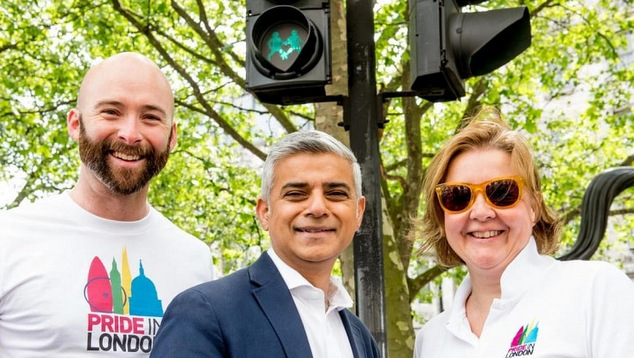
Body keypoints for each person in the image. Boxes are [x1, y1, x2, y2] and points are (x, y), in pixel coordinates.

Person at [0, 52, 213, 357]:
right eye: (111, 112)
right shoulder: (8, 238)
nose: (130, 133)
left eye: (151, 117)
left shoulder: (196, 260)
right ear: (75, 123)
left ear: (172, 136)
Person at [412, 107, 634, 357]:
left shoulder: (596, 291)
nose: (480, 212)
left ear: (534, 207)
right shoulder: (430, 339)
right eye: (458, 196)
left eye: (502, 192)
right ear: (442, 217)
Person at [150, 130, 380, 358]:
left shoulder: (361, 339)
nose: (318, 208)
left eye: (336, 193)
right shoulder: (204, 313)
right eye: (297, 193)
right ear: (265, 212)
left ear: (358, 212)